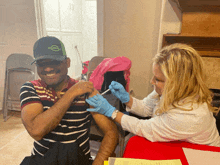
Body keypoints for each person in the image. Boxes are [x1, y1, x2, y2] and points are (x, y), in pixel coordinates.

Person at [86, 43, 220, 147]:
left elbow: (144, 128)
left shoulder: (191, 115)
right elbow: (146, 108)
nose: (152, 82)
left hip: (203, 156)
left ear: (179, 84)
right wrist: (126, 98)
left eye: (158, 80)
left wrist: (111, 112)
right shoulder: (167, 91)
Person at [19, 36, 119, 165]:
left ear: (67, 62)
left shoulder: (86, 91)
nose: (48, 69)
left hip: (77, 161)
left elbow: (111, 132)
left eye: (54, 62)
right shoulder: (31, 88)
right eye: (42, 63)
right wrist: (71, 93)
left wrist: (98, 162)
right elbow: (36, 131)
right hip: (41, 161)